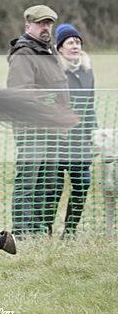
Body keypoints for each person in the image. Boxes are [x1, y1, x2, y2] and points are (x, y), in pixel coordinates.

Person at [7, 5, 70, 237]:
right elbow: (21, 91)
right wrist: (51, 104)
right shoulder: (23, 53)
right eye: (41, 24)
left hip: (53, 128)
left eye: (49, 24)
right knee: (28, 181)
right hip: (32, 129)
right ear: (28, 26)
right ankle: (22, 232)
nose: (46, 28)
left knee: (48, 183)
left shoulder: (49, 50)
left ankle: (40, 230)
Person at [51, 24, 96, 237]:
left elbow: (91, 107)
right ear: (60, 48)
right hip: (60, 140)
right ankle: (47, 228)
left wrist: (93, 135)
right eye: (70, 42)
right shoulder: (55, 72)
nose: (75, 46)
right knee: (54, 187)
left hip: (80, 141)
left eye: (78, 42)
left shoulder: (87, 72)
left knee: (82, 185)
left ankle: (70, 231)